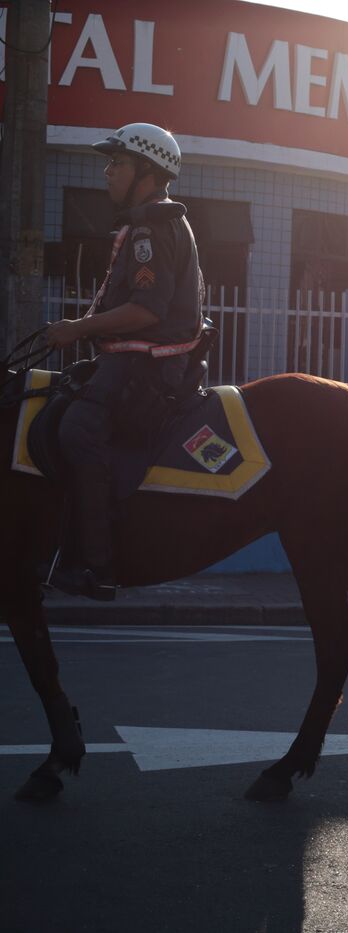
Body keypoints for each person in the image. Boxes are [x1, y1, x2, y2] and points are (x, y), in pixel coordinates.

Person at [44, 123, 204, 600]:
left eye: (117, 163)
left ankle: (96, 564)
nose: (108, 172)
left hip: (147, 367)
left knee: (78, 429)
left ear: (148, 173)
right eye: (108, 163)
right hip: (135, 359)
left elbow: (146, 311)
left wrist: (77, 328)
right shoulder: (149, 222)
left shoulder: (151, 228)